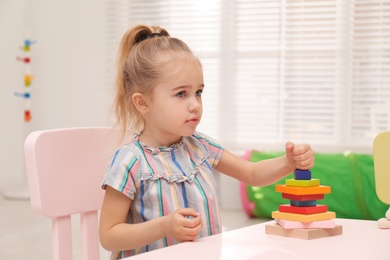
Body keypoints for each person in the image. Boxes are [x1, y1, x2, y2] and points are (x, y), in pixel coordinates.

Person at [99, 24, 315, 259]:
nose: (194, 104)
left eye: (198, 92)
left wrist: (288, 162)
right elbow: (109, 235)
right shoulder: (130, 161)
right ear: (143, 103)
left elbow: (252, 173)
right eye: (181, 94)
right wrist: (163, 227)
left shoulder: (200, 147)